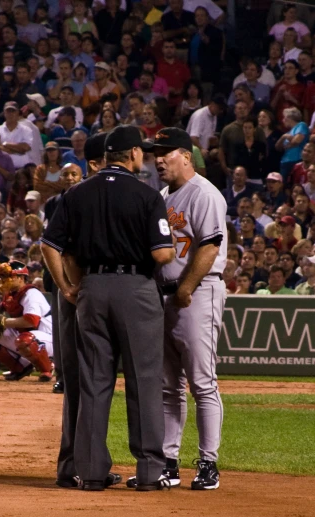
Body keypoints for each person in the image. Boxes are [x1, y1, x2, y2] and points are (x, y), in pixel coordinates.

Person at [41, 125, 175, 491]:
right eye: (141, 152)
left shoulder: (76, 194)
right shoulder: (147, 195)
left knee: (94, 382)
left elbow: (49, 244)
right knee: (144, 380)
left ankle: (91, 472)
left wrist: (67, 285)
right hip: (136, 289)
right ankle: (149, 472)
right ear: (132, 154)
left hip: (92, 288)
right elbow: (162, 253)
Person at [133, 128, 226, 492]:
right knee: (169, 386)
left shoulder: (203, 193)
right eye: (155, 152)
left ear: (186, 156)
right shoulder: (161, 197)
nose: (158, 158)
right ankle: (168, 463)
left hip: (198, 291)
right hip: (164, 295)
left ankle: (208, 464)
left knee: (202, 382)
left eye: (166, 151)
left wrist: (185, 288)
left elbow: (211, 245)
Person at [42, 133, 106, 407]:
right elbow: (50, 241)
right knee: (63, 329)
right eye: (65, 175)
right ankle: (64, 377)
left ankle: (91, 379)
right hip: (63, 271)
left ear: (83, 174)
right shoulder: (54, 203)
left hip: (88, 270)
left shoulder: (91, 196)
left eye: (73, 174)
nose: (69, 178)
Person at [0, 261, 55, 381]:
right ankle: (20, 367)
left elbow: (31, 321)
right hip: (29, 336)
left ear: (21, 278)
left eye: (8, 276)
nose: (4, 279)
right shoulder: (9, 295)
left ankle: (47, 369)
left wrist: (2, 321)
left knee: (25, 339)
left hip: (50, 339)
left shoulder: (31, 293)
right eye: (3, 276)